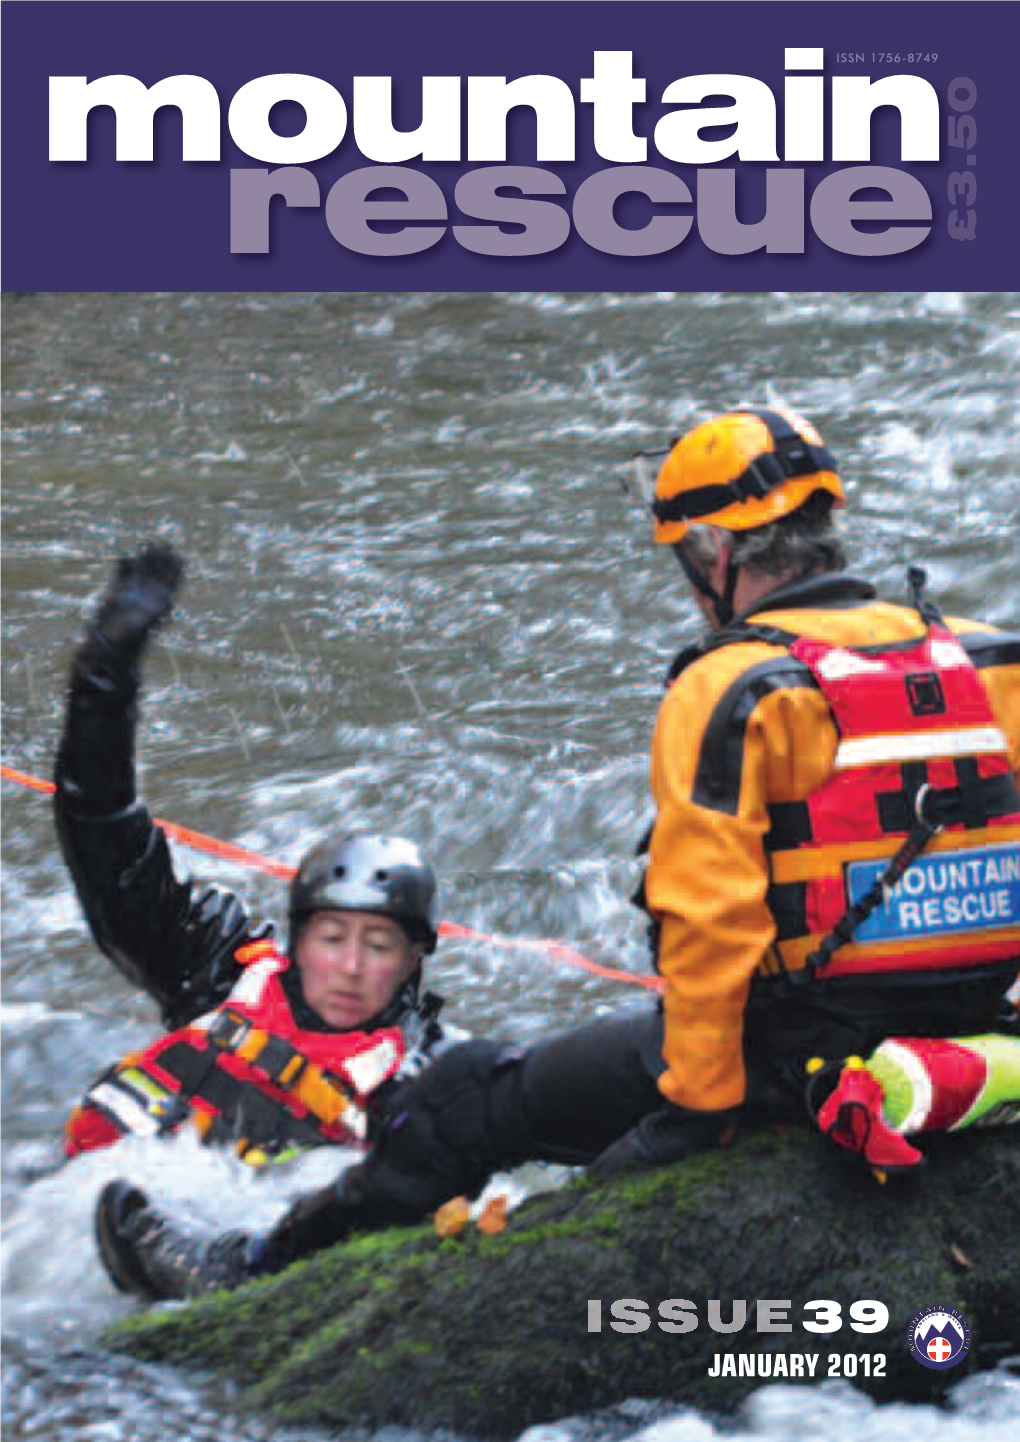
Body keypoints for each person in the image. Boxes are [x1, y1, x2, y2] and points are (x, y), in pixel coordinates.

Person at [95, 409, 1020, 1298]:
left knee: (467, 1094)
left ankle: (250, 1268)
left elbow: (708, 922)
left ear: (720, 556)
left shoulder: (734, 684)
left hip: (795, 1059)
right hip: (975, 1041)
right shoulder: (985, 660)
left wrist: (694, 1113)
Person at [57, 544, 455, 1175]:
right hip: (65, 1214)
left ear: (413, 962)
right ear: (297, 940)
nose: (349, 968)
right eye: (331, 938)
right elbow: (107, 848)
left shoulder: (429, 1078)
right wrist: (103, 682)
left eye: (378, 947)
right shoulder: (216, 967)